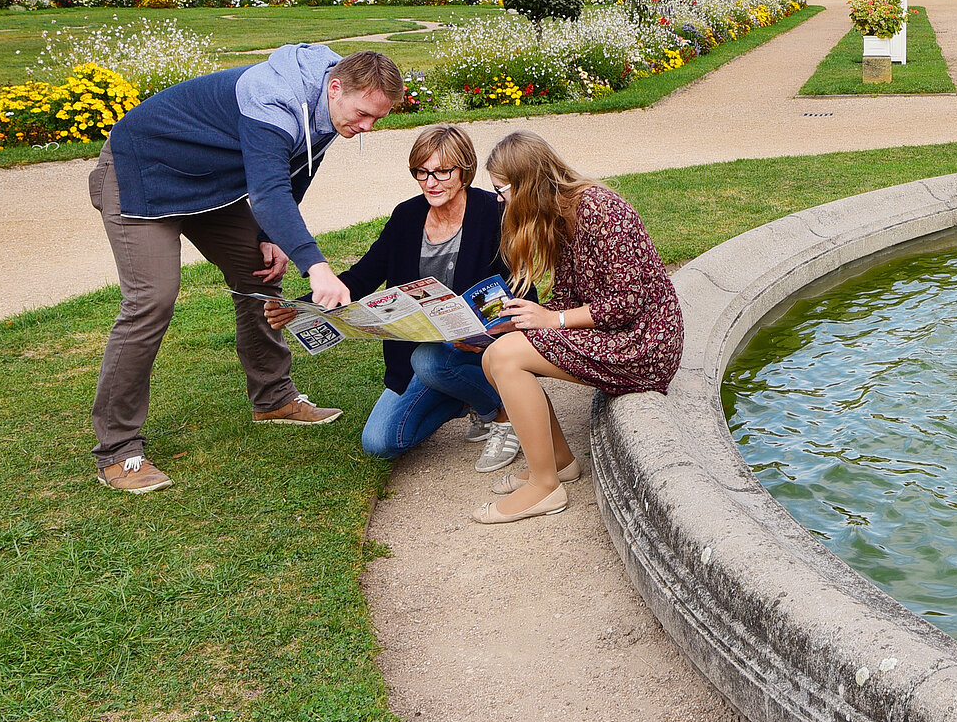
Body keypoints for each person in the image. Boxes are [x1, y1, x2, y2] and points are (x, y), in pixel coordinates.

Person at [87, 45, 404, 494]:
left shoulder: (336, 105)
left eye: (378, 119)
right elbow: (269, 190)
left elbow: (297, 168)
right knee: (152, 299)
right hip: (142, 173)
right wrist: (315, 266)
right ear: (335, 88)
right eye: (363, 115)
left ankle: (273, 398)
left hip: (208, 185)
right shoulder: (272, 97)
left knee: (260, 269)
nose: (366, 127)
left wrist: (272, 237)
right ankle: (117, 449)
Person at [469, 131, 683, 524]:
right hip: (616, 333)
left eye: (502, 190)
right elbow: (568, 297)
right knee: (496, 352)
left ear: (527, 184)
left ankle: (544, 486)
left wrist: (552, 320)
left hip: (645, 342)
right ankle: (561, 463)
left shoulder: (600, 210)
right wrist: (522, 318)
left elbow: (627, 301)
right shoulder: (558, 215)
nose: (499, 200)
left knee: (506, 358)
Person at [283, 124, 518, 466]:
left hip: (480, 350)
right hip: (416, 354)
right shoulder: (407, 216)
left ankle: (501, 414)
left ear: (464, 169)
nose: (430, 183)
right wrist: (301, 308)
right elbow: (361, 277)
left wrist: (492, 330)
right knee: (379, 442)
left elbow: (522, 287)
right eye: (421, 172)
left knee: (431, 361)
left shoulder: (492, 212)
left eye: (441, 172)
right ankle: (462, 398)